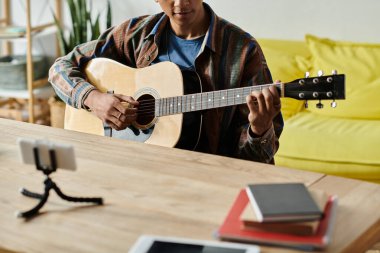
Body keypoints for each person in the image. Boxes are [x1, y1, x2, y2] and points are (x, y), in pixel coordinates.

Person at [49, 0, 283, 164]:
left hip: (210, 177)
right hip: (136, 168)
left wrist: (259, 129)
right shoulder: (136, 33)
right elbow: (60, 68)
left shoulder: (242, 49)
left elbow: (258, 158)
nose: (181, 3)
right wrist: (94, 99)